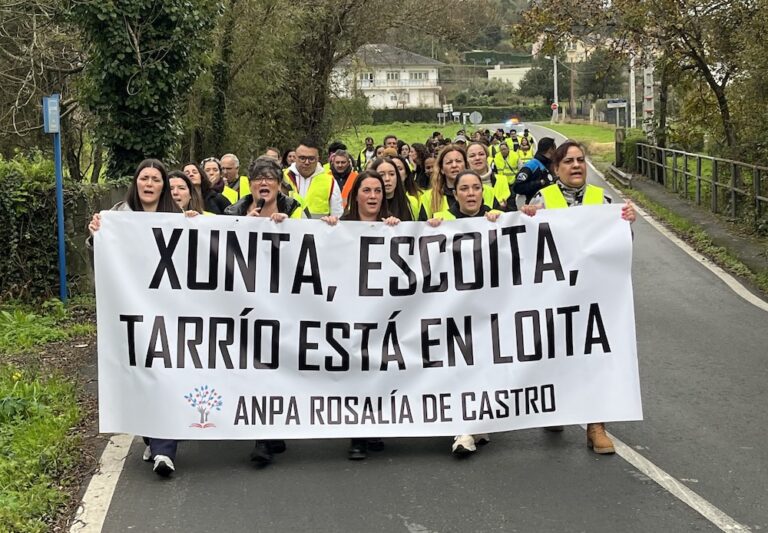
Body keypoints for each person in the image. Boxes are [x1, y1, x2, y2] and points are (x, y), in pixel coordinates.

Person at [521, 140, 636, 455]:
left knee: (594, 357)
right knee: (557, 354)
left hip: (595, 295)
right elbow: (523, 247)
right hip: (555, 296)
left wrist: (626, 222)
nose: (576, 165)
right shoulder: (542, 199)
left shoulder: (604, 200)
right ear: (556, 168)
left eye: (580, 160)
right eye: (568, 161)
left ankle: (595, 425)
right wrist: (526, 218)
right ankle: (555, 408)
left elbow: (622, 244)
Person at [87, 159, 194, 477]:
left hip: (169, 314)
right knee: (141, 375)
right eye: (144, 178)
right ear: (136, 183)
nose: (149, 183)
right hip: (131, 312)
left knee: (166, 375)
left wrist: (195, 227)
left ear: (164, 186)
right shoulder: (116, 217)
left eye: (156, 179)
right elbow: (100, 258)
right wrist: (96, 236)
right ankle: (153, 436)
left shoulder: (177, 218)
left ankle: (164, 449)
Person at [320, 170, 400, 461]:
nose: (373, 197)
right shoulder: (341, 227)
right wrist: (328, 228)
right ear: (356, 195)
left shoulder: (393, 227)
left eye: (378, 191)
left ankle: (374, 425)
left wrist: (397, 229)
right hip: (348, 310)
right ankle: (358, 434)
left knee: (379, 367)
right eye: (366, 191)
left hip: (382, 310)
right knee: (357, 367)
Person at [425, 169, 503, 456]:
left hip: (489, 308)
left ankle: (472, 426)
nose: (471, 193)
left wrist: (504, 222)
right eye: (464, 189)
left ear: (482, 191)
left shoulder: (498, 218)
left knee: (483, 363)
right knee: (460, 365)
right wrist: (431, 228)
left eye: (476, 188)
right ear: (454, 194)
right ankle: (468, 428)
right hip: (454, 309)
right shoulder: (443, 222)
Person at [282, 138, 343, 218]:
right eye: (302, 158)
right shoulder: (282, 177)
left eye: (311, 159)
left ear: (318, 158)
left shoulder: (329, 181)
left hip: (318, 230)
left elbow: (337, 214)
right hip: (287, 229)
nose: (307, 162)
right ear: (295, 157)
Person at [465, 141, 512, 211]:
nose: (477, 158)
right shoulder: (461, 185)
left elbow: (514, 211)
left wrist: (504, 208)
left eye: (481, 154)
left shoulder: (503, 180)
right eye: (472, 156)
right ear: (466, 160)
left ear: (487, 157)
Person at [513, 137, 557, 206]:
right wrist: (540, 183)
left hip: (550, 206)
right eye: (555, 149)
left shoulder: (551, 165)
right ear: (551, 150)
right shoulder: (531, 165)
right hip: (533, 209)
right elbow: (517, 187)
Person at [369, 157, 414, 221]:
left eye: (391, 174)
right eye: (381, 175)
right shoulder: (367, 204)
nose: (387, 179)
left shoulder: (410, 203)